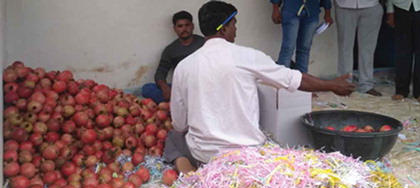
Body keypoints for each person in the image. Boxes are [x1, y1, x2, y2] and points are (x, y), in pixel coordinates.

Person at [165, 0, 355, 173]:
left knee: (173, 137)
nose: (236, 30)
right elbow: (295, 79)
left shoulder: (184, 66)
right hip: (246, 152)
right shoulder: (248, 56)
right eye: (234, 24)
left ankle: (185, 166)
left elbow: (180, 124)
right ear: (223, 29)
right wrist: (331, 85)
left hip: (204, 155)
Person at [141, 11, 205, 103]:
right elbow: (160, 73)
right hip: (181, 88)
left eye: (187, 25)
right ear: (174, 29)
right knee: (147, 89)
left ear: (193, 26)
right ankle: (181, 102)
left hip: (202, 86)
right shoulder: (170, 50)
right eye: (180, 26)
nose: (184, 29)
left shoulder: (204, 43)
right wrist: (164, 87)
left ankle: (180, 103)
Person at [334, 0, 384, 96]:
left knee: (368, 49)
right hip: (344, 5)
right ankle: (345, 84)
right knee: (345, 47)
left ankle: (366, 85)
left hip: (371, 5)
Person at [271, 0, 333, 73]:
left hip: (311, 11)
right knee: (288, 47)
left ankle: (302, 79)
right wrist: (275, 8)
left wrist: (327, 13)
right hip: (291, 10)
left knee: (305, 48)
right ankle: (282, 79)